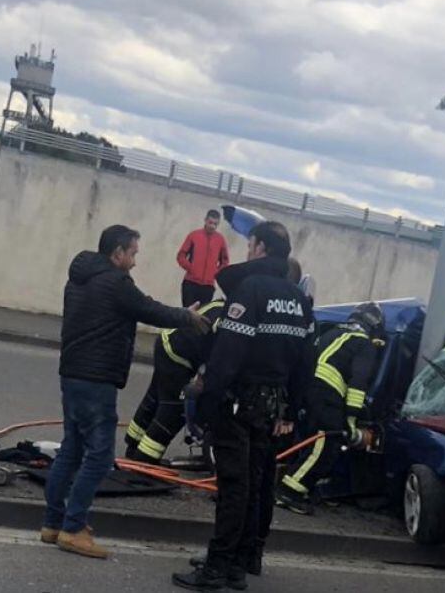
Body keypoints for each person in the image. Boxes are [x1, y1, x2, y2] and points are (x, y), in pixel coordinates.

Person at [43, 225, 208, 560]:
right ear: (117, 253)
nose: (134, 261)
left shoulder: (79, 278)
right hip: (97, 380)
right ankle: (73, 529)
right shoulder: (117, 283)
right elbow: (150, 309)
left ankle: (53, 523)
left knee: (72, 449)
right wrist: (187, 318)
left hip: (72, 374)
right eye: (132, 253)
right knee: (100, 458)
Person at [172, 222, 314, 591]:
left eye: (250, 245)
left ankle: (216, 568)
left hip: (237, 404)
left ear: (261, 248)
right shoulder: (299, 301)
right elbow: (305, 364)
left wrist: (206, 403)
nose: (247, 251)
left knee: (233, 487)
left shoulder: (249, 290)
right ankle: (237, 564)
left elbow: (227, 356)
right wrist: (289, 411)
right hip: (270, 409)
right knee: (253, 485)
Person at [275, 301, 385, 516]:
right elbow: (358, 382)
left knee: (312, 442)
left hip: (306, 389)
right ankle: (289, 492)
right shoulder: (364, 344)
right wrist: (352, 419)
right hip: (325, 393)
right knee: (328, 443)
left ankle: (301, 487)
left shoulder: (333, 333)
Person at [125, 299, 226, 464]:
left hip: (169, 342)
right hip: (178, 353)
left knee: (155, 396)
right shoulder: (230, 317)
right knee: (174, 408)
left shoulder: (223, 306)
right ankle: (144, 460)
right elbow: (220, 356)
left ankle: (133, 444)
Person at [177, 210, 231, 307]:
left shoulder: (220, 240)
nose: (212, 226)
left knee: (201, 317)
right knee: (186, 316)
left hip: (208, 286)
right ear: (205, 220)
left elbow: (225, 261)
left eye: (215, 224)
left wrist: (216, 272)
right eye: (210, 222)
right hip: (190, 283)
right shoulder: (194, 235)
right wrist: (191, 268)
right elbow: (181, 256)